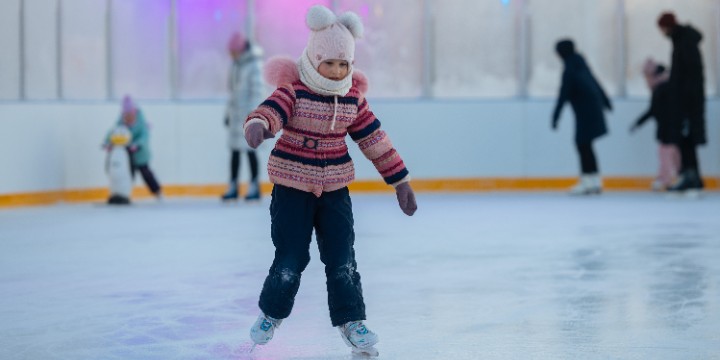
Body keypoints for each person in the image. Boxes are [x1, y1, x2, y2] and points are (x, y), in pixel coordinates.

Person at [243, 5, 417, 356]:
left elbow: (374, 140)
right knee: (290, 258)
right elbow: (270, 110)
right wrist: (259, 126)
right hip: (292, 187)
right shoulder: (294, 91)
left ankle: (352, 321)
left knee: (342, 258)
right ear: (314, 57)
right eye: (330, 63)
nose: (337, 70)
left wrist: (399, 180)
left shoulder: (352, 98)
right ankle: (271, 313)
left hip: (335, 190)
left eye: (344, 64)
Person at [552, 39, 612, 195]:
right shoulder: (581, 64)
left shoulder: (570, 68)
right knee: (586, 145)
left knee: (582, 144)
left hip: (585, 111)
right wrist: (605, 101)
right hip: (591, 109)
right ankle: (594, 180)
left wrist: (556, 115)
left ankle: (587, 181)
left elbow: (563, 93)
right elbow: (595, 81)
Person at [657, 12, 707, 195]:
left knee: (687, 140)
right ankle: (691, 176)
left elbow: (690, 76)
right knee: (686, 139)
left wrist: (684, 101)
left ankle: (691, 177)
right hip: (686, 100)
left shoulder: (685, 43)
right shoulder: (682, 41)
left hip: (688, 102)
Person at [220, 32, 266, 202]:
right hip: (235, 115)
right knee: (234, 151)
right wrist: (228, 113)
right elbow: (232, 92)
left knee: (250, 151)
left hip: (248, 115)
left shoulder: (254, 65)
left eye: (232, 52)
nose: (231, 55)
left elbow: (257, 92)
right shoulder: (236, 65)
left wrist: (254, 116)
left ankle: (254, 185)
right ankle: (233, 185)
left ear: (239, 50)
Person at [630, 59, 680, 191]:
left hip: (668, 128)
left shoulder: (661, 88)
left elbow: (653, 110)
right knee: (672, 153)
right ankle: (671, 177)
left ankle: (666, 179)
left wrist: (638, 123)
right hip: (672, 127)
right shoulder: (668, 85)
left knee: (666, 154)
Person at [104, 95, 162, 199]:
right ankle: (124, 194)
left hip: (140, 155)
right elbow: (113, 132)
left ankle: (157, 192)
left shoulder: (141, 123)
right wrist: (107, 142)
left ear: (134, 112)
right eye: (126, 115)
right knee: (127, 175)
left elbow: (145, 137)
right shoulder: (121, 121)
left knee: (146, 174)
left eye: (130, 115)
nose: (128, 117)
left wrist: (138, 144)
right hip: (127, 155)